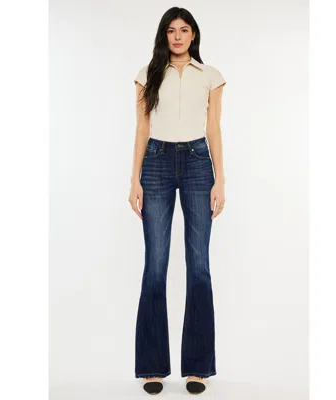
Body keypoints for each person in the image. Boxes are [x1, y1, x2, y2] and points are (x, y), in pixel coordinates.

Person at [128, 6, 226, 395]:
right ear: (164, 35)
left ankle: (197, 368)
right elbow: (142, 128)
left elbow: (214, 129)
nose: (178, 36)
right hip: (156, 163)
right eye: (171, 30)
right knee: (155, 265)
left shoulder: (210, 76)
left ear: (193, 35)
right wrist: (134, 179)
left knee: (199, 266)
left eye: (184, 30)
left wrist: (220, 180)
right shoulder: (148, 74)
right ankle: (152, 367)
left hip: (199, 163)